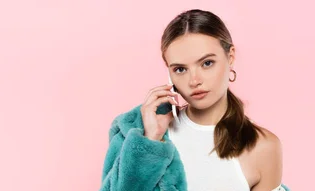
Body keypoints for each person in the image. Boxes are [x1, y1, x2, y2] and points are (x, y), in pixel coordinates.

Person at [99, 9, 289, 191]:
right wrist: (150, 141)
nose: (194, 81)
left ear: (230, 57)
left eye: (207, 63)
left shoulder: (263, 147)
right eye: (180, 69)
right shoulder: (140, 132)